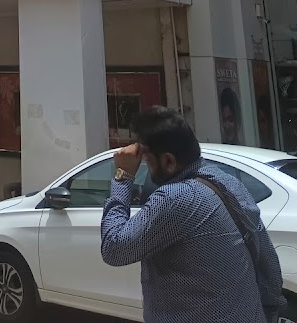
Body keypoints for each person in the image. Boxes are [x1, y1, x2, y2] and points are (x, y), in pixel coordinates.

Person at [101, 106, 285, 323]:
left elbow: (114, 249)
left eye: (148, 161)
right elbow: (269, 267)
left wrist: (123, 176)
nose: (146, 169)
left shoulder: (176, 198)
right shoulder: (231, 184)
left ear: (169, 161)